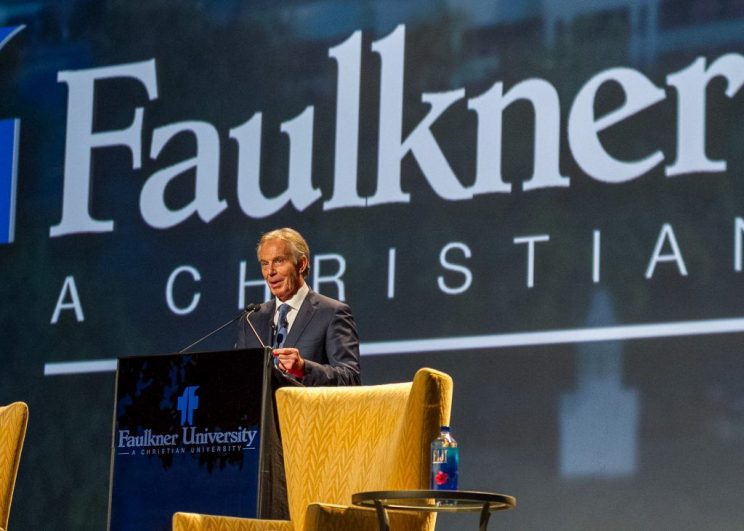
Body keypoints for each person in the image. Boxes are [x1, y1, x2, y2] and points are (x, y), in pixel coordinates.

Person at [237, 227, 361, 386]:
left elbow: (350, 379)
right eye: (265, 264)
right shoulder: (251, 320)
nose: (270, 272)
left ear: (301, 264)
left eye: (279, 261)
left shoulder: (331, 313)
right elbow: (239, 377)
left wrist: (304, 368)